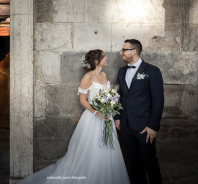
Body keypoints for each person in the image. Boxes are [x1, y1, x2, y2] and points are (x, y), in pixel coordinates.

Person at [17, 49, 130, 184]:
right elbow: (83, 100)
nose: (106, 58)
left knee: (108, 148)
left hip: (107, 117)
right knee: (92, 149)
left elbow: (108, 96)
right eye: (103, 56)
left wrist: (109, 108)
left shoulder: (104, 75)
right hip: (93, 118)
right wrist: (98, 112)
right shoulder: (88, 77)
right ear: (96, 61)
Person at [114, 39, 164, 184]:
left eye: (124, 50)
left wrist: (153, 126)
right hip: (125, 126)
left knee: (150, 162)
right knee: (134, 164)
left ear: (133, 51)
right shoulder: (121, 71)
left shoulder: (152, 71)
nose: (121, 52)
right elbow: (120, 96)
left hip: (145, 127)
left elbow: (158, 100)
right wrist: (117, 117)